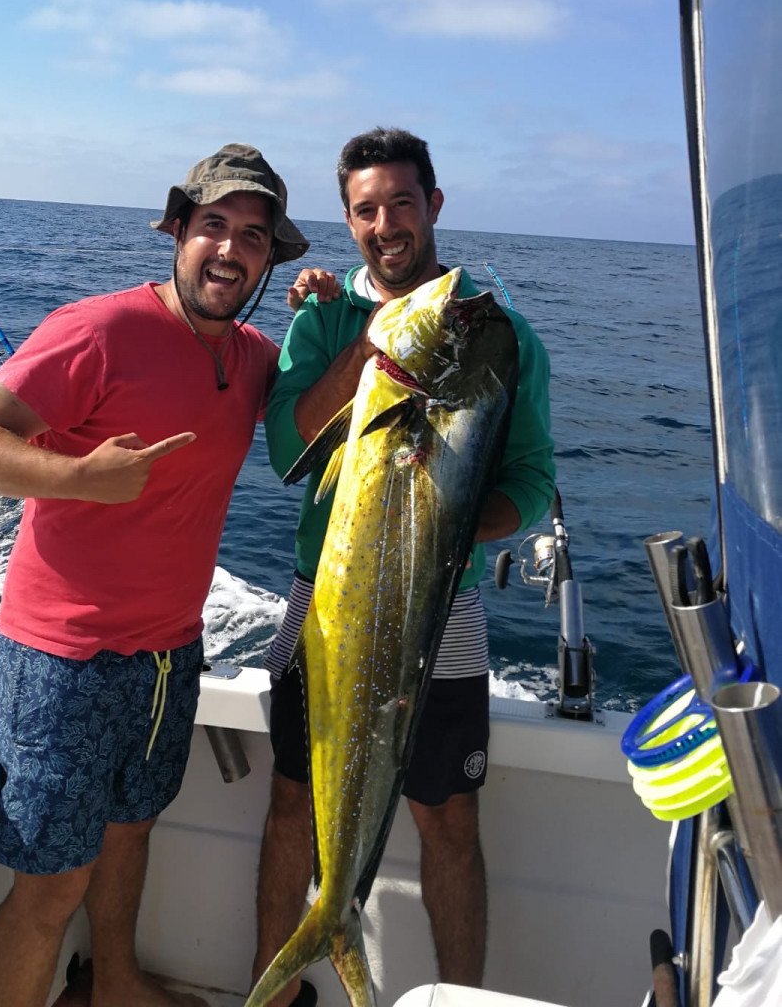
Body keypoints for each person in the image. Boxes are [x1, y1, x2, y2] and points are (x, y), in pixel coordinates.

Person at [0, 144, 329, 1007]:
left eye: (253, 237)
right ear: (178, 232)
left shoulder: (257, 355)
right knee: (50, 888)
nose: (229, 250)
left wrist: (327, 307)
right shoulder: (98, 328)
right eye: (213, 227)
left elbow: (313, 409)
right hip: (64, 658)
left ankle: (115, 984)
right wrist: (78, 478)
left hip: (168, 654)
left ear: (271, 257)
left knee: (131, 831)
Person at [250, 127, 556, 1005]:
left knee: (449, 818)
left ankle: (459, 998)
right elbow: (285, 448)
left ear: (434, 206)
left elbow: (531, 481)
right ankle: (272, 990)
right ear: (347, 220)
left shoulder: (503, 336)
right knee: (288, 807)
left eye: (401, 203)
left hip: (443, 604)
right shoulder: (323, 316)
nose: (386, 224)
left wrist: (449, 537)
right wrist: (367, 352)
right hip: (325, 597)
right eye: (365, 209)